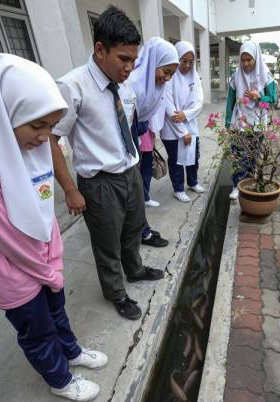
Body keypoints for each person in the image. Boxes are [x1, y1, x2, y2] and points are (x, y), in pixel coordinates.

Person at [0, 53, 108, 402]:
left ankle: (71, 352)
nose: (45, 137)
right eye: (37, 126)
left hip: (43, 261)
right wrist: (48, 272)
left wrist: (54, 260)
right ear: (5, 111)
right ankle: (60, 379)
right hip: (10, 269)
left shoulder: (22, 145)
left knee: (56, 311)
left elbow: (43, 207)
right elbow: (7, 238)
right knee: (37, 329)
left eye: (51, 126)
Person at [50, 6, 164, 321]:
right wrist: (71, 190)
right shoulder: (72, 86)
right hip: (99, 183)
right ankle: (116, 293)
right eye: (123, 59)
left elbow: (125, 125)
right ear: (100, 49)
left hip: (128, 172)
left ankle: (136, 270)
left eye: (133, 60)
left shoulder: (123, 84)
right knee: (107, 244)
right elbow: (50, 139)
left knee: (132, 230)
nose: (129, 67)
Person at [129, 36, 179, 242]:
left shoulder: (152, 84)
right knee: (133, 189)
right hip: (128, 142)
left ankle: (141, 229)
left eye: (171, 74)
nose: (167, 78)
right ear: (153, 63)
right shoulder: (133, 85)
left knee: (137, 187)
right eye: (165, 72)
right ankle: (141, 233)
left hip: (138, 137)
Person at [225, 40, 277, 200]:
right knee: (238, 156)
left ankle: (247, 185)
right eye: (243, 60)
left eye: (249, 60)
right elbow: (230, 100)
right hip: (238, 122)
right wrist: (228, 122)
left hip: (257, 123)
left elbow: (273, 99)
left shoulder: (266, 76)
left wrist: (259, 96)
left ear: (256, 58)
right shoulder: (236, 77)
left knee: (252, 156)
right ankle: (236, 186)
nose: (246, 63)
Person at [161, 40, 205, 203]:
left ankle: (193, 182)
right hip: (172, 128)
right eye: (183, 61)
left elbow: (200, 102)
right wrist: (182, 131)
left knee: (193, 156)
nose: (187, 65)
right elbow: (168, 105)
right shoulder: (169, 77)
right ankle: (178, 189)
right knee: (176, 160)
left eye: (191, 62)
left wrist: (186, 115)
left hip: (190, 123)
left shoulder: (195, 77)